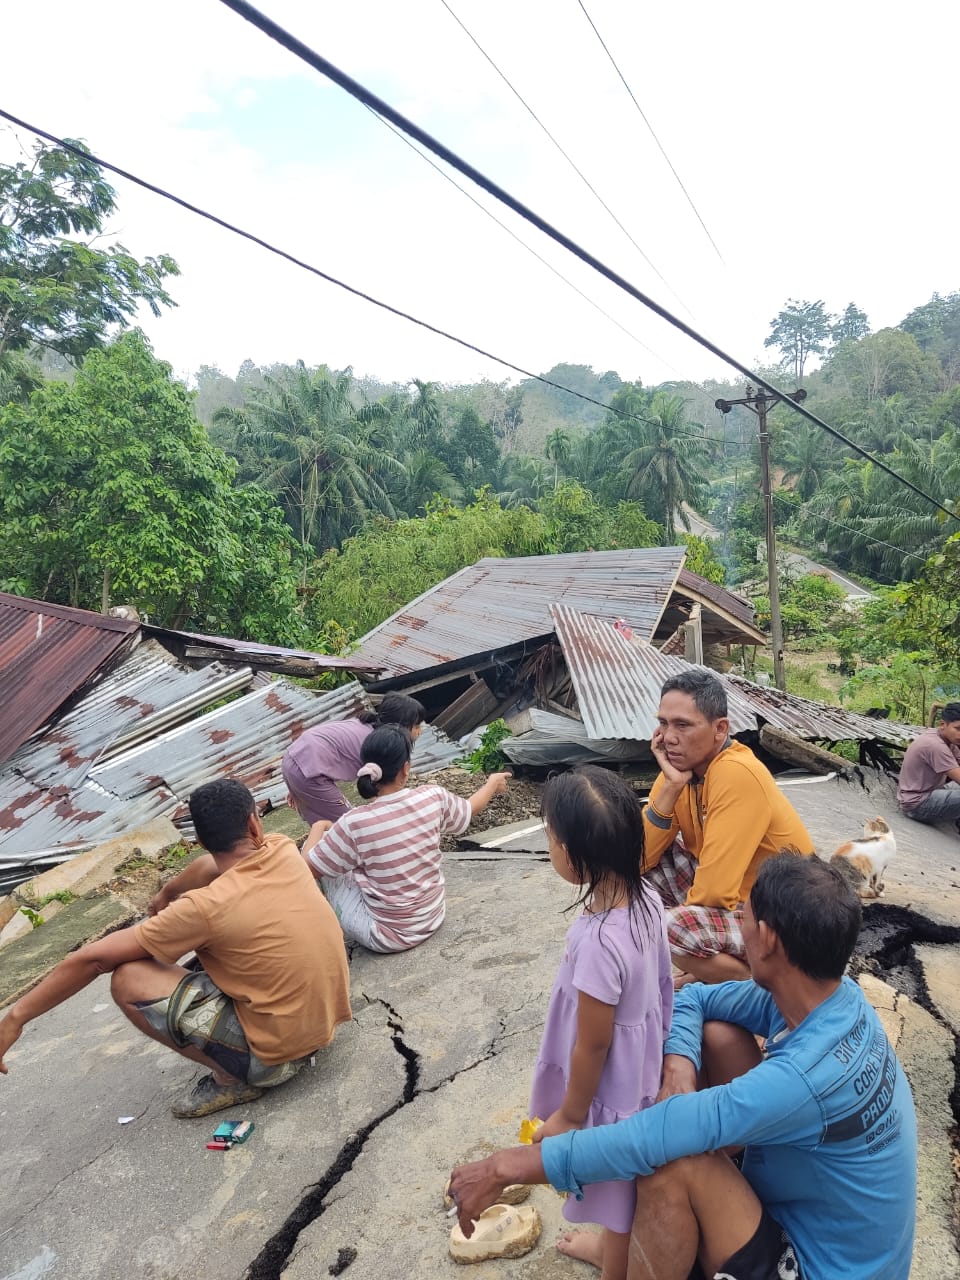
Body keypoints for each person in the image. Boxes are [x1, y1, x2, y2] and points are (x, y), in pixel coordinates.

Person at [449, 853, 917, 1280]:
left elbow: (654, 1135)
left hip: (817, 1266)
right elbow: (692, 997)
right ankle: (632, 1252)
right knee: (719, 1035)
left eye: (744, 917)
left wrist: (503, 1168)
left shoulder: (805, 1079)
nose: (737, 924)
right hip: (815, 1213)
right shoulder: (830, 999)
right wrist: (680, 1068)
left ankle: (638, 1263)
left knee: (670, 1162)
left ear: (769, 940)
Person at [0, 779, 352, 1119]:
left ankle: (232, 1080)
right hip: (323, 1029)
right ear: (253, 823)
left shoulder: (202, 908)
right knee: (209, 955)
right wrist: (167, 894)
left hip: (275, 1062)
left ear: (198, 839)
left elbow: (92, 960)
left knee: (129, 977)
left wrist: (15, 1019)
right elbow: (210, 867)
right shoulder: (280, 848)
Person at [530, 767, 673, 1280]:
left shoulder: (597, 942)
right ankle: (611, 1247)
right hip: (638, 1070)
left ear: (571, 853)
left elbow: (592, 1046)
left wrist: (570, 1113)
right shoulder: (649, 900)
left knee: (615, 1191)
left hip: (605, 1083)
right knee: (622, 1185)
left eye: (549, 837)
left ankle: (615, 1264)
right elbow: (660, 988)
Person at [643, 670, 814, 985]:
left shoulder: (737, 772)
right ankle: (711, 972)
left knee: (667, 929)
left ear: (719, 729)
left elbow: (713, 892)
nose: (668, 737)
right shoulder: (679, 772)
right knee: (634, 882)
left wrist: (684, 946)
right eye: (664, 723)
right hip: (739, 904)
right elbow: (636, 858)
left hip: (783, 919)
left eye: (682, 725)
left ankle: (765, 986)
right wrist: (670, 789)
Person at [303, 724, 510, 952]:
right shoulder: (432, 796)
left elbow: (306, 869)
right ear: (405, 768)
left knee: (319, 854)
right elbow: (469, 809)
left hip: (387, 939)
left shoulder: (354, 823)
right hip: (433, 916)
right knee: (342, 855)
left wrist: (318, 827)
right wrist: (491, 784)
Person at [282, 692, 425, 824]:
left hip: (295, 759)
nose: (420, 731)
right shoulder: (382, 744)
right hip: (307, 771)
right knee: (350, 823)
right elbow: (383, 790)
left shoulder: (365, 726)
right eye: (417, 725)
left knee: (326, 821)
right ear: (402, 725)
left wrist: (296, 783)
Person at [896, 702, 960, 828]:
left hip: (931, 791)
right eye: (958, 729)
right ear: (942, 724)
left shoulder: (946, 739)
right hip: (917, 804)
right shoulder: (935, 745)